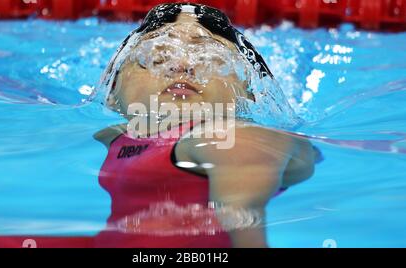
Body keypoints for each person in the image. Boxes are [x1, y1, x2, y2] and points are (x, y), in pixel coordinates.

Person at [93, 3, 317, 248]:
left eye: (211, 58)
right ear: (112, 92)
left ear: (250, 95)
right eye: (157, 57)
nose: (182, 67)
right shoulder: (118, 136)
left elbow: (242, 215)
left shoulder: (228, 137)